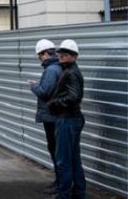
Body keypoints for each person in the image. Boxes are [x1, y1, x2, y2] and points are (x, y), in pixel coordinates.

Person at [47, 39, 86, 199]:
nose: (61, 56)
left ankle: (64, 195)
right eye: (61, 53)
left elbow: (73, 96)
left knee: (63, 161)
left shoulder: (70, 73)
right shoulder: (71, 70)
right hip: (73, 118)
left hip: (67, 120)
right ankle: (79, 193)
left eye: (66, 54)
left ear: (74, 56)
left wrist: (54, 103)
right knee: (74, 159)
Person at [28, 39, 62, 194]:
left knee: (55, 150)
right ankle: (60, 181)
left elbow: (44, 92)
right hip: (57, 115)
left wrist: (34, 86)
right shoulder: (59, 67)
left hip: (52, 117)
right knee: (58, 150)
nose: (39, 59)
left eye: (39, 55)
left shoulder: (51, 70)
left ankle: (61, 184)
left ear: (45, 53)